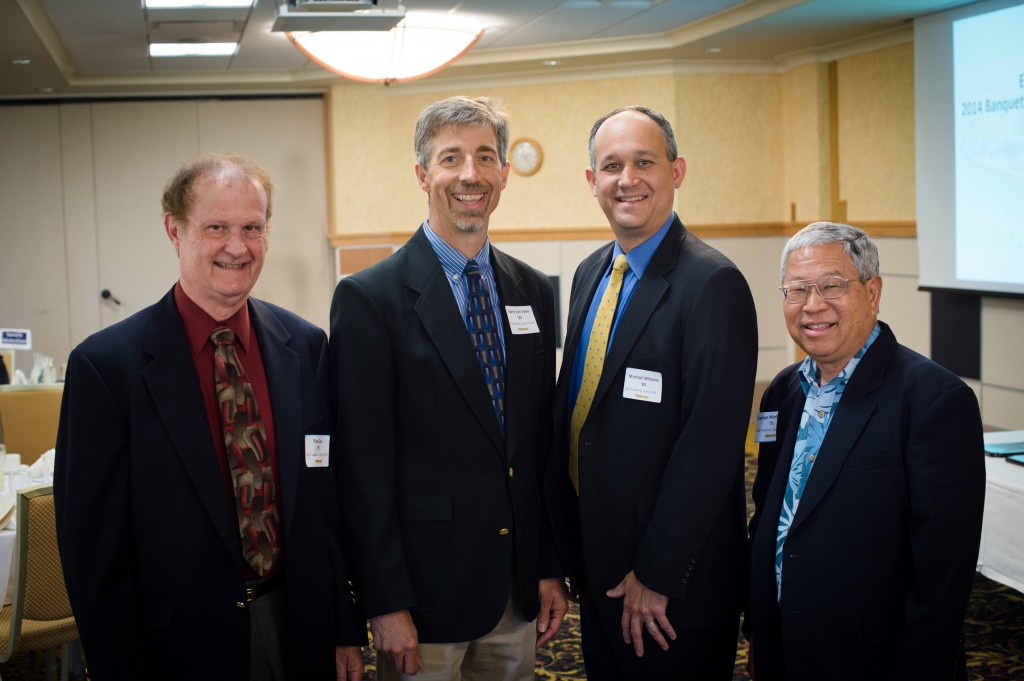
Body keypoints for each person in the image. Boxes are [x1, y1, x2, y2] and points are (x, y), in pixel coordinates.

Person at [54, 153, 365, 681]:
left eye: (252, 228)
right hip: (176, 645)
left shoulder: (307, 347)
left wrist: (342, 627)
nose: (237, 246)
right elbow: (93, 554)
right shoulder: (107, 368)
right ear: (174, 230)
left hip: (300, 625)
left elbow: (323, 506)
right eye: (216, 227)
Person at [329, 95, 568, 681]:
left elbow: (538, 447)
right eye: (451, 158)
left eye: (485, 158)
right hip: (423, 599)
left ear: (504, 175)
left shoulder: (533, 291)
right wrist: (385, 601)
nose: (470, 175)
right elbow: (362, 468)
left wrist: (546, 565)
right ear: (422, 174)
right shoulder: (370, 298)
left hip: (515, 593)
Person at [546, 105, 758, 680]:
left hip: (672, 586)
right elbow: (579, 415)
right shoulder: (592, 272)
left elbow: (710, 449)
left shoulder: (713, 284)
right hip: (602, 564)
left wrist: (658, 574)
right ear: (592, 182)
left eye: (644, 162)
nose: (627, 179)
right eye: (611, 166)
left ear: (677, 172)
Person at [745, 221, 986, 680]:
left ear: (872, 293)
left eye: (832, 286)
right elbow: (769, 516)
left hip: (875, 659)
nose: (812, 305)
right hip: (785, 647)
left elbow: (943, 573)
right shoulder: (782, 392)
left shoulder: (933, 400)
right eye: (796, 290)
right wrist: (759, 631)